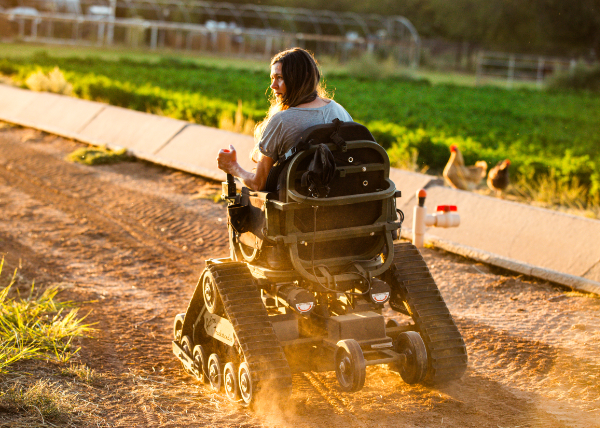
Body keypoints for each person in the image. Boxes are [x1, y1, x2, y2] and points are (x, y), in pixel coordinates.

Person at [216, 48, 353, 191]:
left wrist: (233, 167)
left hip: (298, 205)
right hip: (339, 198)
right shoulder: (339, 110)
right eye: (272, 78)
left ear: (301, 78)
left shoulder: (281, 121)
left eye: (280, 78)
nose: (273, 85)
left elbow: (259, 183)